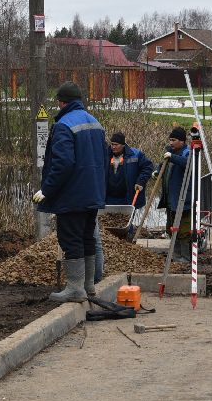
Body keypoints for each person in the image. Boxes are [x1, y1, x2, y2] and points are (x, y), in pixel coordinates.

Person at [32, 81, 106, 303]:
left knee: (71, 238)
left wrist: (47, 189)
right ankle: (88, 286)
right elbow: (103, 159)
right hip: (93, 193)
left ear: (61, 102)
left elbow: (63, 163)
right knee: (87, 237)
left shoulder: (64, 125)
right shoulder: (95, 122)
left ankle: (75, 289)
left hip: (73, 195)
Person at [93, 131, 155, 280]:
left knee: (126, 226)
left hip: (127, 197)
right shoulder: (104, 155)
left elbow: (147, 167)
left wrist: (140, 181)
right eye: (112, 144)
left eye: (116, 144)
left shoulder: (135, 155)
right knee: (107, 226)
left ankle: (128, 247)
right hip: (108, 197)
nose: (113, 147)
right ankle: (109, 251)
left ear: (123, 144)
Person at [162, 126, 191, 232]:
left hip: (182, 201)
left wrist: (172, 157)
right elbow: (164, 166)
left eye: (173, 140)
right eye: (170, 140)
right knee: (170, 229)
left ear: (182, 141)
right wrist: (158, 171)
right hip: (171, 200)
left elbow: (188, 163)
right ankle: (173, 248)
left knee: (181, 232)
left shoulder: (187, 153)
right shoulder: (172, 152)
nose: (171, 143)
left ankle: (181, 249)